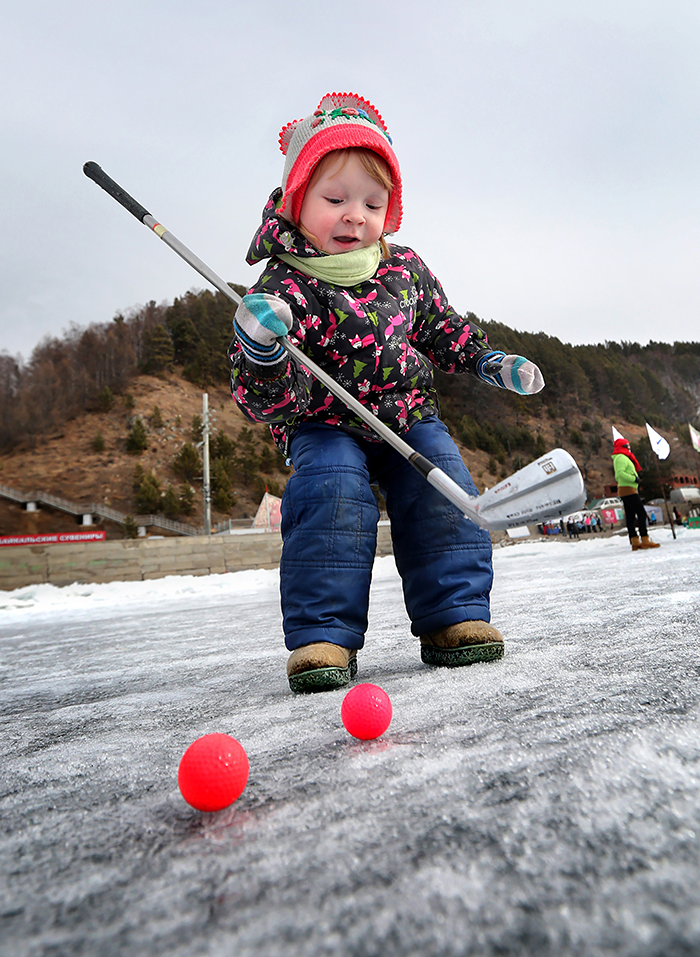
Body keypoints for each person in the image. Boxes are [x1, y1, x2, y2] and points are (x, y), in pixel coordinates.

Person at [229, 93, 545, 693]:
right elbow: (261, 402)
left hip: (408, 414)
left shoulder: (404, 270)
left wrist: (489, 361)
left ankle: (456, 618)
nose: (355, 216)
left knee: (444, 489)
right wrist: (262, 349)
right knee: (332, 494)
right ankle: (323, 635)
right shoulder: (284, 284)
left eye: (373, 203)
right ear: (297, 203)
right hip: (324, 421)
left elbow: (444, 329)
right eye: (335, 199)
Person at [612, 437, 659, 550]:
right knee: (641, 514)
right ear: (622, 447)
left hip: (627, 489)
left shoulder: (623, 457)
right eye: (627, 446)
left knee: (631, 516)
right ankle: (644, 539)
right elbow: (619, 474)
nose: (629, 448)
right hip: (628, 489)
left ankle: (634, 541)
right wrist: (634, 479)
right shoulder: (621, 458)